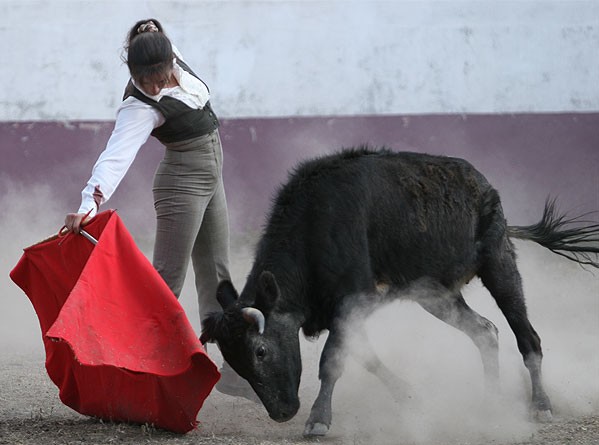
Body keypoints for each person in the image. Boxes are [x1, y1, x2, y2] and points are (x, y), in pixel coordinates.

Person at [64, 18, 257, 402]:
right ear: (133, 73)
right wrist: (89, 202)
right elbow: (115, 156)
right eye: (144, 80)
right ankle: (135, 374)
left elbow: (153, 36)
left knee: (217, 274)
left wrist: (149, 29)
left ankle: (235, 370)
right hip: (180, 184)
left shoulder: (170, 56)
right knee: (166, 279)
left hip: (210, 179)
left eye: (159, 76)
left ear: (171, 60)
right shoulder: (138, 106)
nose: (154, 86)